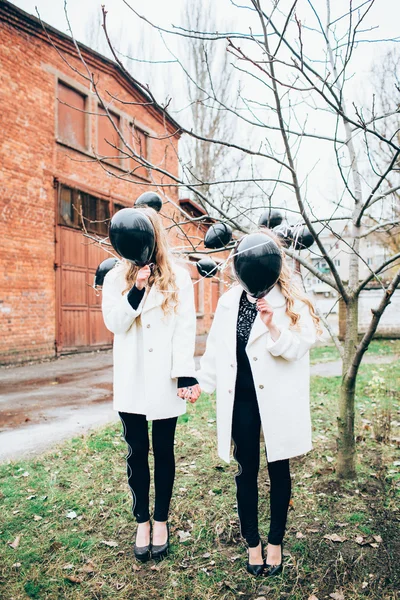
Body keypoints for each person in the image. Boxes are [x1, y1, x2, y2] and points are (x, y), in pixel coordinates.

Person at [197, 229, 321, 577]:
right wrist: (198, 384)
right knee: (245, 469)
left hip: (278, 395)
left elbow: (302, 345)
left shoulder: (291, 298)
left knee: (279, 467)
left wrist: (273, 327)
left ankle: (276, 542)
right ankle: (252, 543)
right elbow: (217, 352)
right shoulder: (229, 301)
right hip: (242, 397)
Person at [102, 207, 201, 562]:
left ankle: (161, 520)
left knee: (164, 452)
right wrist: (137, 289)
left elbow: (184, 327)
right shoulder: (116, 276)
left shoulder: (179, 276)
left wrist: (185, 373)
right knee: (136, 453)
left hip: (163, 377)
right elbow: (115, 323)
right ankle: (141, 520)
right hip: (131, 376)